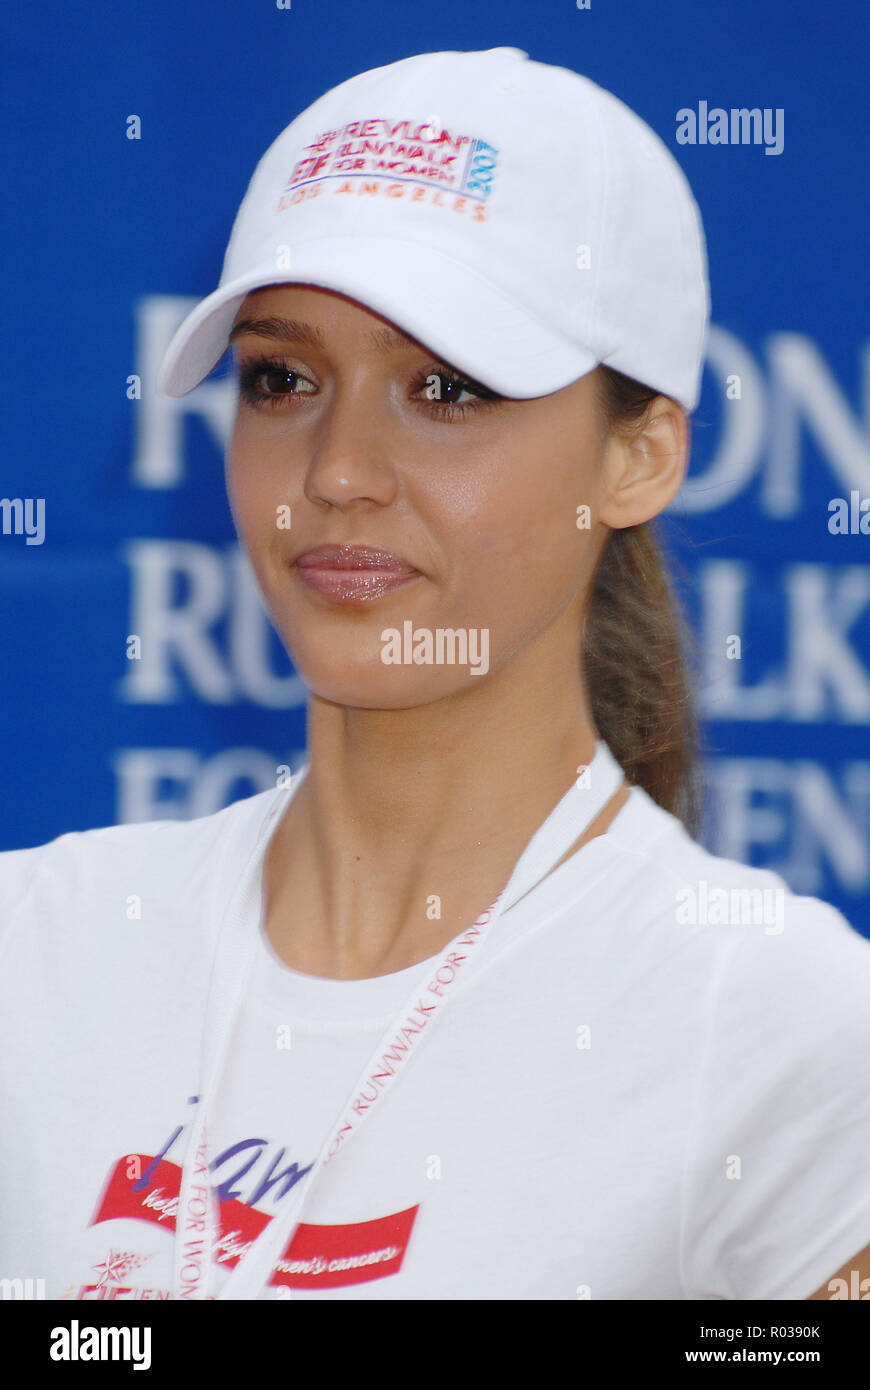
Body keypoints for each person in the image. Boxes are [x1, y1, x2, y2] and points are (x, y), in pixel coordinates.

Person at [2, 46, 870, 1303]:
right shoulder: (38, 947)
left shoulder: (784, 1027)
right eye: (282, 379)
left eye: (447, 388)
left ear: (640, 456)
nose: (339, 469)